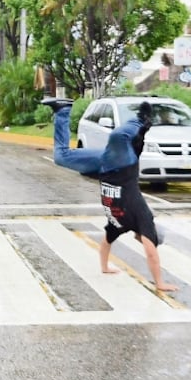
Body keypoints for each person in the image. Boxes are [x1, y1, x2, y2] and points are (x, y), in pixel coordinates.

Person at [42, 97, 178, 293]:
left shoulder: (119, 224)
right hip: (122, 163)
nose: (142, 241)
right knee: (118, 136)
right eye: (147, 239)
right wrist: (160, 283)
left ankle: (63, 110)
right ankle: (142, 119)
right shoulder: (144, 219)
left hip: (104, 165)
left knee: (61, 157)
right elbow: (151, 254)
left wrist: (105, 267)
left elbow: (105, 244)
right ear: (151, 235)